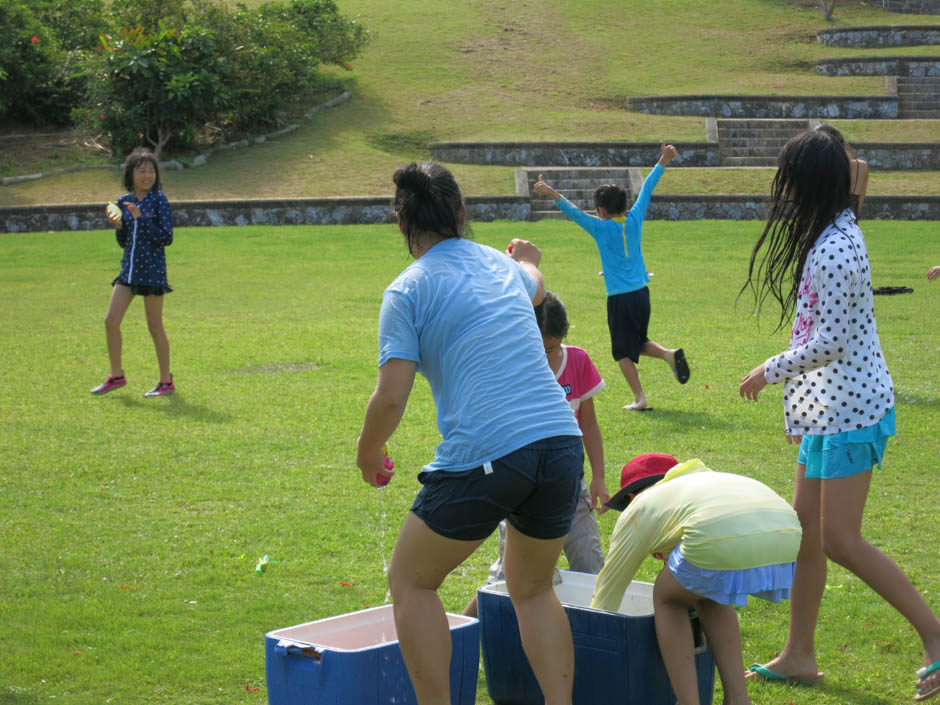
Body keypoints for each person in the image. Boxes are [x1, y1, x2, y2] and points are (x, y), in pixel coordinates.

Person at [356, 161, 584, 705]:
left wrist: (368, 451)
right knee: (531, 590)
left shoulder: (407, 291)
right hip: (559, 442)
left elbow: (391, 396)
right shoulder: (502, 268)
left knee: (410, 581)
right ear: (462, 212)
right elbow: (536, 283)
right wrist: (526, 256)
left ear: (400, 222)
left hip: (491, 453)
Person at [739, 129, 940, 702]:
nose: (786, 192)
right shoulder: (841, 224)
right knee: (805, 534)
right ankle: (799, 654)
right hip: (827, 409)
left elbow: (829, 340)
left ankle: (935, 635)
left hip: (850, 411)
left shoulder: (832, 247)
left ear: (809, 185)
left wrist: (768, 370)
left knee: (840, 541)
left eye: (791, 180)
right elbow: (860, 174)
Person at [591, 454, 802, 705]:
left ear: (631, 497)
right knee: (705, 590)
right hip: (787, 534)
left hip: (720, 537)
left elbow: (609, 589)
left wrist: (588, 635)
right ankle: (738, 699)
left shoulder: (641, 506)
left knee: (668, 597)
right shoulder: (704, 483)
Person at [463, 290, 610, 618]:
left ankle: (593, 638)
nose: (543, 358)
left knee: (591, 565)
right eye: (535, 348)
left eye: (550, 349)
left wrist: (598, 477)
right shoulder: (512, 371)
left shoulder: (579, 362)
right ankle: (461, 633)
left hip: (571, 485)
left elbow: (589, 424)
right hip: (522, 489)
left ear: (563, 339)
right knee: (508, 577)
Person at [533, 141, 690, 412]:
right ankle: (669, 354)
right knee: (637, 342)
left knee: (621, 351)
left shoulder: (600, 228)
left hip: (620, 297)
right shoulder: (635, 218)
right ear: (625, 206)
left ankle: (640, 398)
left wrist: (551, 193)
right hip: (642, 293)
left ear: (602, 211)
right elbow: (648, 188)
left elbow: (572, 212)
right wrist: (663, 159)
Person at [92, 148, 175, 397]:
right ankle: (116, 376)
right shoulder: (122, 201)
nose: (147, 175)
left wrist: (140, 219)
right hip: (128, 271)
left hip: (152, 273)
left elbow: (166, 237)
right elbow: (124, 242)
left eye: (151, 171)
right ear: (131, 174)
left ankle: (165, 382)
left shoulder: (159, 200)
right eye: (142, 171)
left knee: (155, 326)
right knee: (110, 321)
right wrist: (119, 226)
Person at [814, 123, 869, 217]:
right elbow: (855, 210)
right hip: (849, 229)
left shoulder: (813, 171)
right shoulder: (860, 167)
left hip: (822, 229)